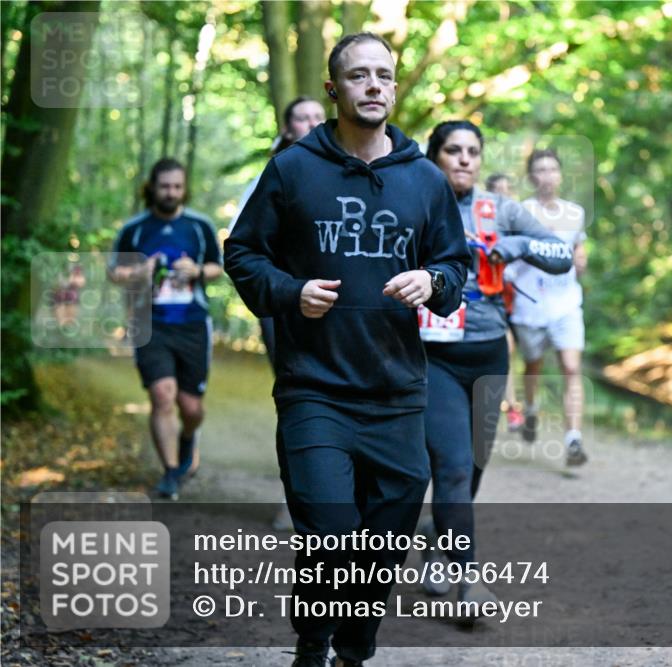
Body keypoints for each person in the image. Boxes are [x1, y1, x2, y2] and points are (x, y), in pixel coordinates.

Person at [224, 33, 469, 667]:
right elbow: (243, 252)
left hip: (396, 392)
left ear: (395, 87)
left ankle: (354, 649)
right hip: (315, 388)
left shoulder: (425, 180)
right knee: (330, 532)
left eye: (383, 74)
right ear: (334, 89)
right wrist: (290, 291)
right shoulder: (293, 169)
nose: (373, 85)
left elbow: (454, 266)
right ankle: (313, 641)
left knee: (385, 544)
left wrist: (433, 281)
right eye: (359, 75)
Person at [419, 121, 573, 607]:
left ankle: (437, 540)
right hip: (432, 356)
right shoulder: (413, 201)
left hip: (488, 353)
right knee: (452, 466)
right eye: (453, 150)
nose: (464, 159)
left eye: (472, 151)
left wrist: (519, 245)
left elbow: (561, 255)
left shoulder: (501, 209)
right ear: (434, 156)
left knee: (474, 467)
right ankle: (469, 579)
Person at [109, 158, 223, 501]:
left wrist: (197, 271)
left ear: (184, 189)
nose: (171, 193)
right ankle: (171, 472)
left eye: (177, 187)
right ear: (152, 188)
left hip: (193, 325)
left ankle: (188, 437)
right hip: (149, 323)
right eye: (165, 186)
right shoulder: (135, 229)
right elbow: (114, 272)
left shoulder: (200, 226)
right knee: (161, 395)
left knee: (191, 408)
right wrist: (137, 272)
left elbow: (218, 267)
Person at [228, 96, 327, 368]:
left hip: (333, 294)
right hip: (283, 297)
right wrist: (279, 288)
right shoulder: (268, 178)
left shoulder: (348, 173)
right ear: (287, 130)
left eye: (318, 117)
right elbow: (241, 245)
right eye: (303, 118)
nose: (313, 124)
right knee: (292, 372)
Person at [508, 148, 589, 465]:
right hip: (530, 306)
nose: (547, 176)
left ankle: (573, 439)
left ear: (560, 175)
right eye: (540, 170)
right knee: (533, 367)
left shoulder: (574, 213)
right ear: (531, 177)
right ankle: (530, 411)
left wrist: (581, 260)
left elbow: (578, 247)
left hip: (566, 303)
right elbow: (509, 254)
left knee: (571, 367)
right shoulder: (520, 212)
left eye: (552, 169)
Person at [484, 172, 525, 432]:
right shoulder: (480, 224)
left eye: (506, 191)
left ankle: (510, 407)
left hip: (513, 305)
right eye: (497, 191)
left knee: (508, 352)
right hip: (485, 300)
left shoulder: (520, 225)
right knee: (505, 348)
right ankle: (508, 407)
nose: (502, 196)